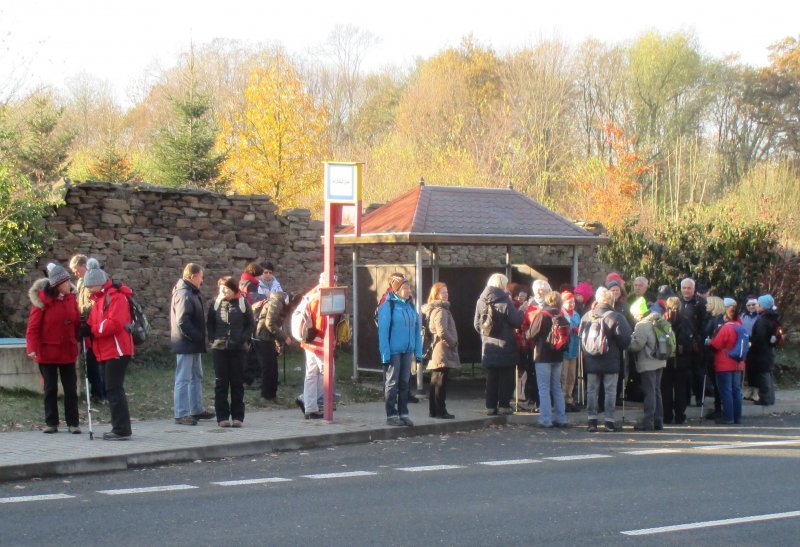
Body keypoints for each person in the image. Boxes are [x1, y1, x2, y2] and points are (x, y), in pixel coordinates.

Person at [25, 263, 81, 434]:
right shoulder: (42, 302)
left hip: (67, 350)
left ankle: (73, 423)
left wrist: (81, 333)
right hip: (47, 351)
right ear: (57, 285)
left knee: (70, 388)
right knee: (50, 388)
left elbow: (76, 321)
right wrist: (32, 347)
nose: (69, 284)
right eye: (65, 282)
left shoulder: (71, 299)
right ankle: (51, 422)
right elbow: (33, 327)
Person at [83, 260, 134, 440]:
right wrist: (85, 328)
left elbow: (114, 324)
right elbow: (93, 322)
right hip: (106, 350)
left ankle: (121, 429)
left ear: (99, 283)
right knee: (111, 388)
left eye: (90, 286)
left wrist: (92, 330)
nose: (88, 290)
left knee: (114, 388)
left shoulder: (116, 297)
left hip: (118, 350)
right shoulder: (99, 300)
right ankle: (119, 427)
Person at [581, 286, 632, 432]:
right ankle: (609, 422)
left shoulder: (588, 316)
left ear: (597, 300)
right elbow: (625, 340)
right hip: (611, 360)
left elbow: (581, 337)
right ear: (611, 301)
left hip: (591, 359)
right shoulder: (616, 317)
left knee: (592, 391)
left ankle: (592, 421)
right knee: (610, 391)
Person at [170, 263, 214, 426]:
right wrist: (197, 336)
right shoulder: (184, 294)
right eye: (201, 277)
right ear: (193, 276)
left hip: (192, 343)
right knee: (183, 378)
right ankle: (181, 413)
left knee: (196, 376)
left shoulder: (190, 292)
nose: (202, 280)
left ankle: (196, 409)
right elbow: (183, 321)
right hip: (186, 343)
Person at [207, 277, 254, 427]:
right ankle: (222, 417)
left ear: (233, 289)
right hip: (219, 349)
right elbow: (210, 323)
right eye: (221, 288)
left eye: (226, 288)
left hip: (237, 349)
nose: (223, 291)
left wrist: (243, 339)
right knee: (221, 383)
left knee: (237, 383)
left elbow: (250, 324)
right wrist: (213, 339)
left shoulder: (242, 303)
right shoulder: (215, 303)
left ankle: (238, 417)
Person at [474, 273, 524, 416]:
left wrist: (486, 336)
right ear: (502, 284)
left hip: (489, 345)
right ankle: (503, 406)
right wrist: (522, 310)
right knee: (506, 377)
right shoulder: (506, 301)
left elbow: (476, 325)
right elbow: (516, 321)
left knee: (491, 377)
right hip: (506, 344)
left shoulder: (480, 301)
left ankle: (490, 406)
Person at [378, 273, 422, 426]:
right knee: (392, 383)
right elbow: (383, 332)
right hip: (393, 351)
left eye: (409, 287)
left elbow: (417, 330)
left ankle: (403, 413)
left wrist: (418, 352)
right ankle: (391, 415)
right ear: (396, 290)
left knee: (405, 383)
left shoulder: (410, 306)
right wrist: (385, 354)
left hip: (407, 351)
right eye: (405, 288)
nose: (408, 290)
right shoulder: (388, 306)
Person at [526, 291, 568, 428]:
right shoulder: (562, 316)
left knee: (543, 388)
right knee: (557, 387)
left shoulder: (542, 315)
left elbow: (531, 334)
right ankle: (561, 418)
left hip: (543, 355)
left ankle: (546, 420)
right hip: (558, 356)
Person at [69, 254, 106, 404]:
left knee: (95, 361)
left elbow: (95, 303)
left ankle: (101, 392)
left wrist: (84, 312)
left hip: (95, 324)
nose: (75, 274)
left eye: (76, 270)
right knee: (90, 361)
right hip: (86, 324)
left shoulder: (96, 280)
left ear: (84, 266)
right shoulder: (80, 283)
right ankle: (96, 391)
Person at [627, 297, 666, 431]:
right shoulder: (658, 319)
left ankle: (648, 421)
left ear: (639, 313)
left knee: (649, 392)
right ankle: (658, 420)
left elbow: (637, 345)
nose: (634, 317)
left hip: (648, 361)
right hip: (660, 360)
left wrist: (628, 344)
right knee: (657, 391)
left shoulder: (642, 325)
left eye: (634, 314)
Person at [423, 282, 460, 419]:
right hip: (442, 349)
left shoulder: (435, 309)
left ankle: (433, 411)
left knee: (436, 381)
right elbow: (442, 331)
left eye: (446, 292)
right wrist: (453, 342)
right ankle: (440, 411)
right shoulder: (441, 310)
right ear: (436, 294)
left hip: (438, 349)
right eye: (442, 292)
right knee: (440, 382)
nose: (446, 294)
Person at [707, 297, 744, 425]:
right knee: (736, 390)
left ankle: (728, 417)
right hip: (738, 363)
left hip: (724, 363)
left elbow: (716, 345)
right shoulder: (741, 327)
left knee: (726, 390)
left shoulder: (726, 328)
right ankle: (737, 417)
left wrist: (708, 342)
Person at [253, 290, 293, 403]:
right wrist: (284, 337)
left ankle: (271, 396)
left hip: (266, 338)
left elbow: (275, 326)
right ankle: (266, 397)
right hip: (262, 338)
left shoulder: (279, 303)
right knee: (268, 369)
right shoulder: (277, 303)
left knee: (273, 369)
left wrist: (279, 344)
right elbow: (269, 323)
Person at [662, 296, 694, 425]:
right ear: (680, 306)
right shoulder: (685, 320)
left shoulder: (663, 320)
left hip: (666, 359)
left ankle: (667, 416)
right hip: (682, 360)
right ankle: (680, 416)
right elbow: (691, 339)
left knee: (666, 389)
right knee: (681, 390)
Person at [299, 274, 328, 420]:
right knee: (327, 373)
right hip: (319, 341)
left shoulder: (313, 294)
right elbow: (321, 324)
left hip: (309, 340)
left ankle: (310, 407)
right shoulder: (321, 297)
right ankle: (307, 400)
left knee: (311, 374)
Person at [679, 278, 708, 408]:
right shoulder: (678, 302)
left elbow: (705, 322)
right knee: (684, 373)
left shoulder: (700, 303)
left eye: (689, 288)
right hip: (682, 343)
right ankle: (685, 399)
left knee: (697, 372)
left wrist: (700, 338)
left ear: (694, 289)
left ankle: (699, 398)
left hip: (696, 344)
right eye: (684, 288)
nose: (686, 290)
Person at [748, 294, 780, 407]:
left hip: (761, 352)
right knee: (768, 374)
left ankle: (765, 398)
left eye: (759, 304)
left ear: (763, 306)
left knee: (763, 375)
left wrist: (752, 344)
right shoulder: (773, 317)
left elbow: (759, 337)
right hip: (769, 349)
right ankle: (770, 397)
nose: (757, 305)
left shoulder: (763, 320)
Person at [507, 282, 534, 409]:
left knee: (524, 368)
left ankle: (521, 393)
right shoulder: (513, 307)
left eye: (524, 296)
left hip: (525, 342)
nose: (521, 298)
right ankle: (516, 393)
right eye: (520, 295)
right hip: (516, 342)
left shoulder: (528, 308)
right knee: (516, 369)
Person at [702, 296, 726, 419]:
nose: (706, 305)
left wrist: (709, 342)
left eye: (708, 303)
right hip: (710, 354)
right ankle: (719, 408)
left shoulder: (718, 321)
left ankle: (719, 409)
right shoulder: (712, 318)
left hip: (714, 355)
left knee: (718, 384)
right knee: (717, 383)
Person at [561, 291, 581, 412]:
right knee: (563, 376)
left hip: (574, 350)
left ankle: (569, 399)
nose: (572, 304)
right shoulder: (561, 314)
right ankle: (562, 400)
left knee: (572, 376)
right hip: (565, 350)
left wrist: (579, 330)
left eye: (573, 302)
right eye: (569, 302)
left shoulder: (577, 315)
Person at [741, 296, 760, 401]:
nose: (751, 307)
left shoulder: (760, 316)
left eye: (753, 304)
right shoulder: (743, 316)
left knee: (756, 367)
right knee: (748, 367)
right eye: (749, 305)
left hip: (757, 343)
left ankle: (756, 390)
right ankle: (750, 388)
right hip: (746, 342)